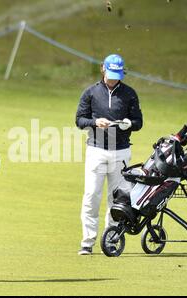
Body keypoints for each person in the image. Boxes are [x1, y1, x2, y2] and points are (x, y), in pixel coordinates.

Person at [75, 54, 143, 255]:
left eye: (117, 75)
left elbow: (139, 122)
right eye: (110, 74)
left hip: (121, 151)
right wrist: (95, 122)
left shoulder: (129, 94)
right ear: (102, 69)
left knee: (118, 199)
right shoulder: (91, 93)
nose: (113, 79)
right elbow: (79, 120)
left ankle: (111, 239)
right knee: (91, 196)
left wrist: (129, 123)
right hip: (96, 150)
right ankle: (87, 242)